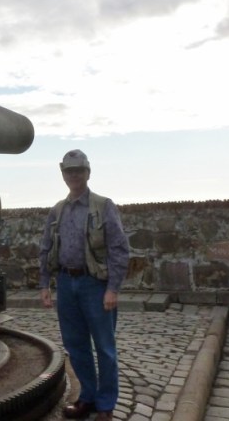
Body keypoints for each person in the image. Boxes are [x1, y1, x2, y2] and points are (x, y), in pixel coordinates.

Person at [38, 149, 130, 420]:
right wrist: (45, 285)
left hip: (95, 285)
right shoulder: (57, 210)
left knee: (104, 347)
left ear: (88, 173)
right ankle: (87, 398)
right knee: (76, 346)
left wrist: (112, 288)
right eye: (69, 171)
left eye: (79, 170)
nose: (74, 175)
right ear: (63, 174)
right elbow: (45, 248)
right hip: (66, 283)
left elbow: (119, 249)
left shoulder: (103, 206)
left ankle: (106, 405)